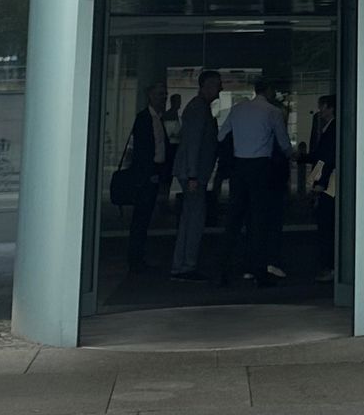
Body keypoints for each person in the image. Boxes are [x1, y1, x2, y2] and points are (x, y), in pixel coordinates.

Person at [220, 76, 289, 288]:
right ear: (268, 90)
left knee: (234, 219)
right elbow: (284, 143)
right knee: (259, 219)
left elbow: (222, 135)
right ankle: (259, 270)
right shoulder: (272, 112)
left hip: (239, 166)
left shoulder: (238, 109)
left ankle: (223, 270)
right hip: (261, 167)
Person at [169, 69, 222, 279]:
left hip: (193, 172)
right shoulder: (199, 109)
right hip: (194, 173)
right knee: (193, 219)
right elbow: (194, 143)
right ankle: (185, 265)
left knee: (190, 218)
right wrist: (192, 175)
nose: (220, 88)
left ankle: (183, 264)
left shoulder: (197, 107)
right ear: (207, 86)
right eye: (217, 84)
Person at [121, 84, 169, 273]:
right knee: (141, 218)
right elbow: (143, 149)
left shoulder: (157, 118)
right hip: (146, 175)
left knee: (144, 217)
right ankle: (135, 259)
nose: (163, 98)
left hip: (153, 172)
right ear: (150, 95)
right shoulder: (145, 119)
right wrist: (150, 174)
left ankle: (138, 257)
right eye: (160, 94)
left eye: (164, 94)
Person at [306, 92, 339, 278]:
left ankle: (329, 266)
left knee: (326, 223)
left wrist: (320, 182)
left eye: (322, 106)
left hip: (329, 184)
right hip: (328, 181)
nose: (320, 111)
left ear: (330, 108)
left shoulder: (332, 129)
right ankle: (329, 265)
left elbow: (326, 158)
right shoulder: (331, 127)